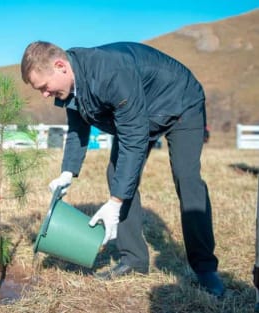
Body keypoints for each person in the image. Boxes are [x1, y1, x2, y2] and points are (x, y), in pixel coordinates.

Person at [21, 41, 225, 297]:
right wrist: (67, 172)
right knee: (117, 173)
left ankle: (205, 268)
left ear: (60, 66)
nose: (44, 94)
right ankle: (134, 259)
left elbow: (134, 137)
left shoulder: (110, 73)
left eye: (43, 87)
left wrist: (116, 202)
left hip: (179, 104)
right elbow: (77, 129)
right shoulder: (72, 84)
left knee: (187, 179)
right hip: (141, 112)